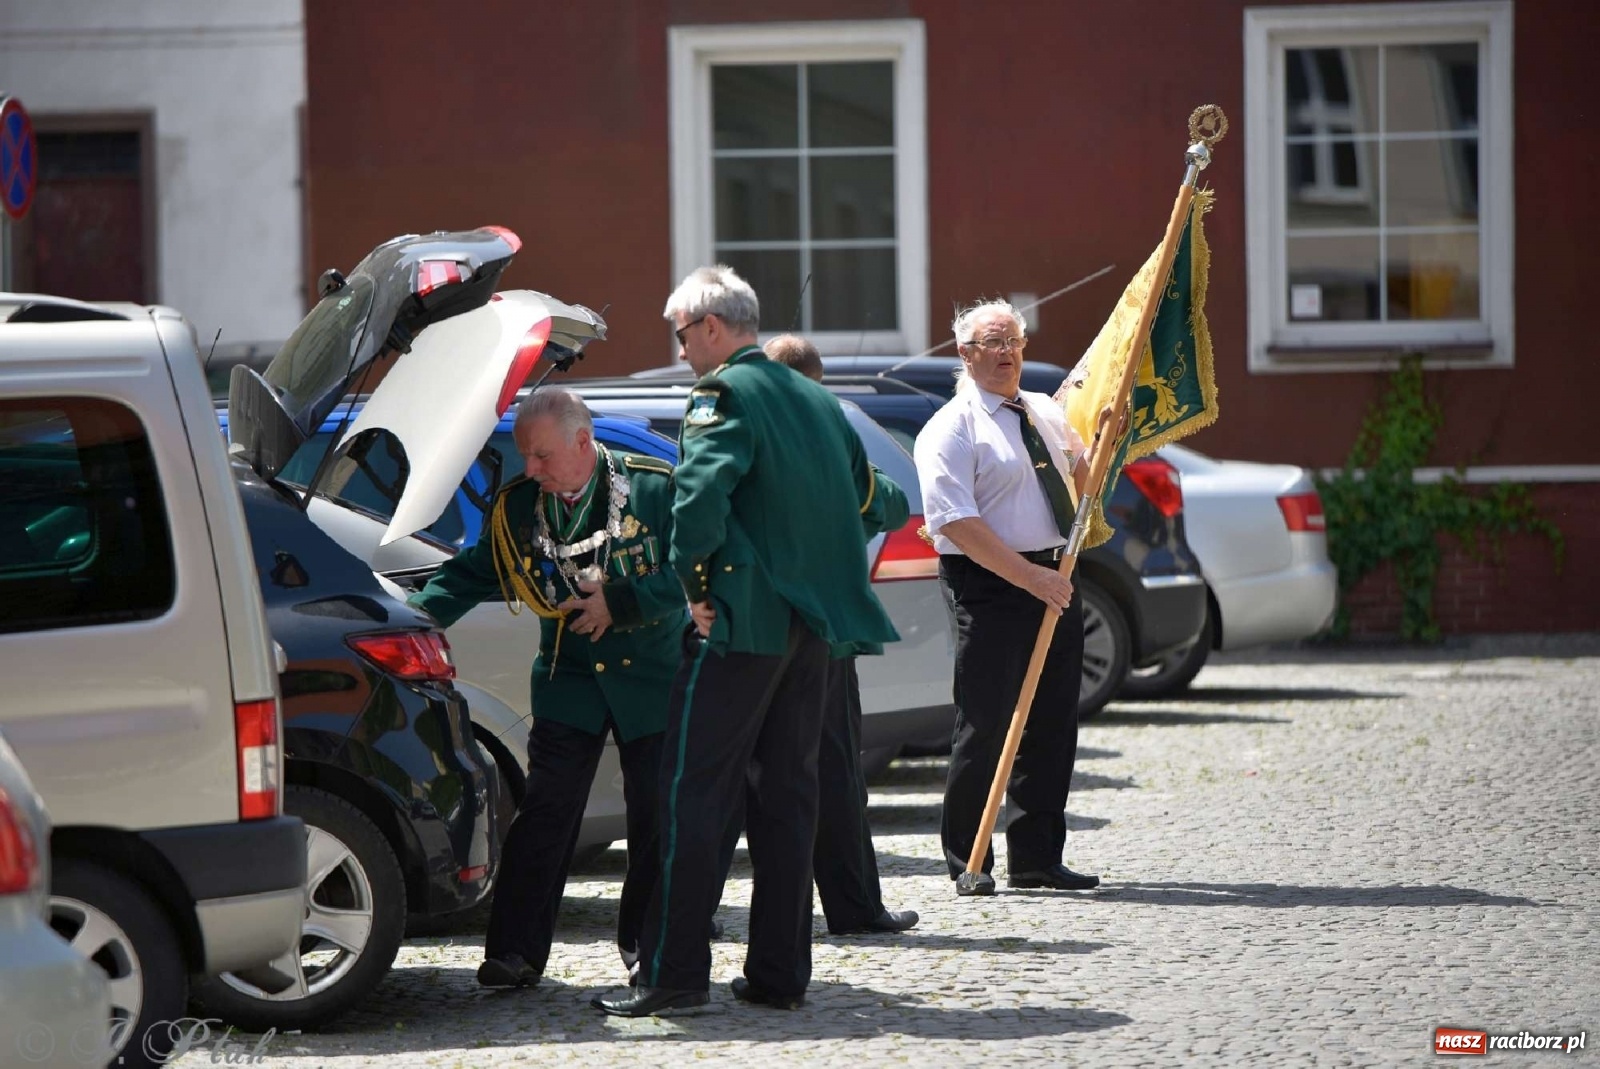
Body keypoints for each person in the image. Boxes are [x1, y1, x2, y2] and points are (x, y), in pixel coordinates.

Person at [593, 265, 900, 1018]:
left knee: (691, 793)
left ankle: (674, 974)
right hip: (809, 631)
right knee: (790, 798)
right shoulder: (820, 400)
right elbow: (870, 501)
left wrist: (697, 589)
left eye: (682, 334)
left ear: (711, 326)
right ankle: (779, 973)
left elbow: (697, 500)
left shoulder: (722, 393)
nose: (681, 350)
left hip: (741, 623)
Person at [407, 387, 685, 988]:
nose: (530, 469)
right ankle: (515, 952)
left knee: (657, 813)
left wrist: (620, 602)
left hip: (652, 675)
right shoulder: (517, 508)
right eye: (525, 456)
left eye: (541, 455)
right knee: (546, 812)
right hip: (570, 677)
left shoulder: (655, 487)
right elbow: (472, 573)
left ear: (582, 442)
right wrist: (408, 621)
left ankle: (650, 948)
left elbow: (691, 570)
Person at [912, 300, 1114, 898]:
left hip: (1055, 572)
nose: (1007, 353)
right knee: (986, 722)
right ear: (965, 353)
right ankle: (968, 859)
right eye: (993, 343)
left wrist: (1104, 440)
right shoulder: (952, 427)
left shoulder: (1044, 410)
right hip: (991, 581)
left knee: (1052, 720)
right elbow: (955, 522)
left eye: (1014, 342)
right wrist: (1028, 578)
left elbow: (1080, 485)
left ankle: (1038, 858)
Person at [762, 332, 918, 936]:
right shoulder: (824, 437)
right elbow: (890, 504)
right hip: (819, 632)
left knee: (752, 779)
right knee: (832, 773)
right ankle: (852, 906)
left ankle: (727, 918)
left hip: (751, 635)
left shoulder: (733, 427)